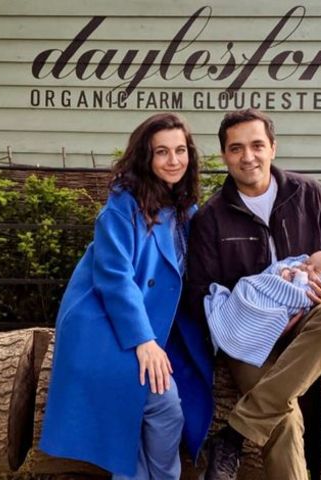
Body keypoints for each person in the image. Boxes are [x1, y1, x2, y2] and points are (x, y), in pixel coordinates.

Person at [39, 113, 213, 480]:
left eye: (180, 150)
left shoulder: (186, 210)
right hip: (102, 323)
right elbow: (114, 277)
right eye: (162, 152)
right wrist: (143, 340)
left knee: (160, 413)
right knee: (159, 405)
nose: (173, 160)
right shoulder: (122, 205)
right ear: (145, 157)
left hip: (144, 325)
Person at [187, 108, 321, 480]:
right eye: (236, 148)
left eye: (257, 145)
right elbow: (199, 293)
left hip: (306, 321)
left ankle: (233, 435)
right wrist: (255, 312)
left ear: (273, 148)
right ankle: (241, 433)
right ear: (224, 155)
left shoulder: (308, 194)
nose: (248, 157)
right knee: (284, 419)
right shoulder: (210, 218)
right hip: (248, 336)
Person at [204, 251, 321, 368]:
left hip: (303, 325)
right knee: (262, 384)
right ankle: (259, 403)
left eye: (315, 270)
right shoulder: (294, 266)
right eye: (307, 263)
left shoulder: (317, 209)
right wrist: (283, 271)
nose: (307, 268)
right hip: (249, 326)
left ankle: (261, 401)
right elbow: (199, 284)